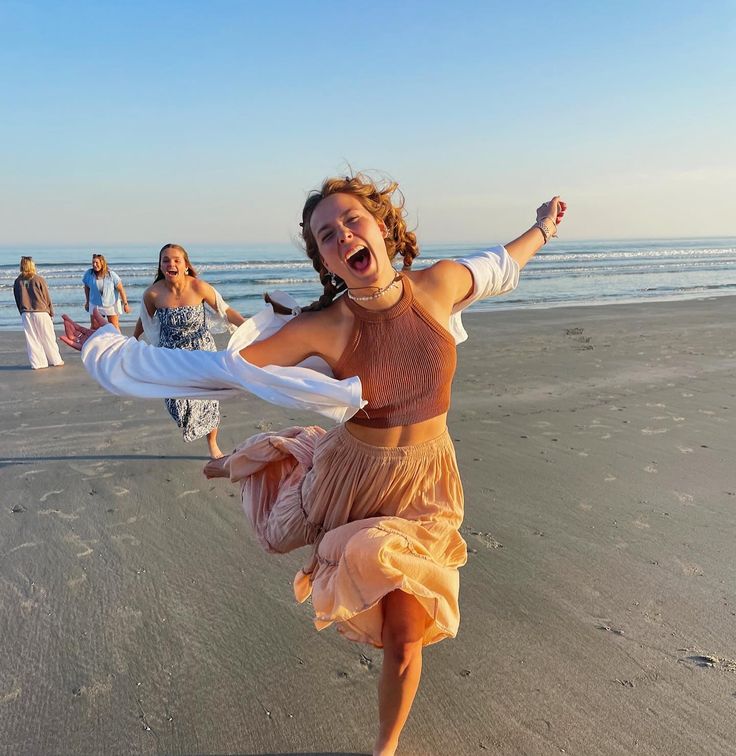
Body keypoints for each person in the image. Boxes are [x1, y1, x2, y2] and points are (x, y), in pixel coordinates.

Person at [61, 173, 566, 756]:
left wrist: (544, 229)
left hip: (425, 485)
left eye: (352, 220)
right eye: (326, 235)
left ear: (382, 228)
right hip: (353, 472)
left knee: (407, 636)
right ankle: (253, 460)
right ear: (327, 260)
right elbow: (220, 371)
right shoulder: (325, 326)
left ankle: (385, 748)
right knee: (280, 533)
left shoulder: (440, 284)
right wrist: (105, 346)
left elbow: (501, 263)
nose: (343, 235)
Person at [131, 243, 246, 459]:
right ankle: (190, 422)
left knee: (207, 400)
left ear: (185, 265)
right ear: (160, 265)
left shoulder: (199, 287)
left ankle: (212, 443)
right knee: (176, 403)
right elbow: (144, 320)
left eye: (176, 260)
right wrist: (132, 341)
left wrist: (248, 327)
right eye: (165, 260)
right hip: (171, 356)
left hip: (201, 352)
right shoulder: (153, 294)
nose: (170, 263)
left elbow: (225, 310)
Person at [13, 256, 65, 370]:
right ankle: (55, 360)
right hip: (40, 311)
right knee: (48, 336)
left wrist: (21, 311)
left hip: (26, 312)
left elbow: (17, 298)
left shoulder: (18, 281)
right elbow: (46, 297)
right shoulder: (38, 279)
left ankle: (38, 363)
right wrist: (51, 311)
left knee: (32, 338)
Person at [82, 253, 130, 330]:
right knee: (94, 327)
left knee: (114, 327)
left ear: (102, 263)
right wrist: (87, 302)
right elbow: (87, 288)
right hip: (95, 304)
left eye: (96, 262)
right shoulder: (89, 274)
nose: (94, 265)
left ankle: (120, 342)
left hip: (111, 304)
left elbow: (121, 289)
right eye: (93, 262)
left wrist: (125, 304)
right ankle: (96, 342)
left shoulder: (111, 275)